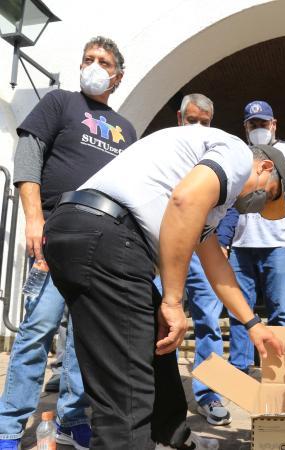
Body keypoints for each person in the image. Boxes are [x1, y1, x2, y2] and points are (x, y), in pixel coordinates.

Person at [42, 125, 285, 450]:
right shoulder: (238, 155)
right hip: (108, 235)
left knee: (156, 350)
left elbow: (215, 262)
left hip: (75, 227)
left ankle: (172, 438)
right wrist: (172, 301)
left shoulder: (209, 190)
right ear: (265, 167)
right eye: (269, 193)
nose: (256, 205)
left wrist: (252, 324)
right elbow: (185, 201)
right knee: (128, 396)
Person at [0, 36, 137, 450]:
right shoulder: (60, 103)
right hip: (57, 232)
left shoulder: (127, 130)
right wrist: (34, 219)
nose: (93, 66)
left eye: (103, 62)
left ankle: (71, 418)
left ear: (118, 76)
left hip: (104, 243)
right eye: (87, 59)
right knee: (37, 328)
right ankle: (8, 425)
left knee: (84, 339)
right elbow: (29, 155)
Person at [173, 93, 239, 426]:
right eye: (192, 120)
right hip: (167, 250)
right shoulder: (166, 149)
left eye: (205, 122)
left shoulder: (220, 154)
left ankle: (208, 394)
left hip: (204, 250)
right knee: (161, 321)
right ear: (179, 118)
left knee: (209, 323)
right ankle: (162, 395)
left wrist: (222, 241)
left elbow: (232, 203)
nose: (198, 127)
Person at [228, 100, 285, 373]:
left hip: (278, 243)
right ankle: (240, 369)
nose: (258, 128)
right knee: (240, 312)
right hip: (241, 244)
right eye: (253, 124)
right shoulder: (237, 152)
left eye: (263, 123)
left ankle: (277, 373)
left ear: (274, 124)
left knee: (280, 312)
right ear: (245, 127)